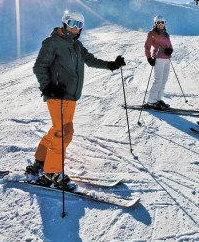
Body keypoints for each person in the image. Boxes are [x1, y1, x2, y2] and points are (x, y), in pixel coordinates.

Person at [26, 10, 126, 187]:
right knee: (63, 132)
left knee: (58, 130)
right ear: (64, 23)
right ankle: (51, 171)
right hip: (57, 95)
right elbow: (39, 67)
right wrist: (47, 86)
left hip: (71, 97)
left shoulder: (77, 46)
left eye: (79, 25)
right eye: (72, 23)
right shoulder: (53, 42)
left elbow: (91, 60)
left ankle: (40, 161)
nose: (75, 28)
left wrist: (111, 65)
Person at [144, 15, 174, 110]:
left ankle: (158, 99)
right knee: (158, 80)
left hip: (166, 59)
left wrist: (170, 50)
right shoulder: (152, 33)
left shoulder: (166, 34)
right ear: (155, 23)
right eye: (158, 22)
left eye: (162, 22)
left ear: (165, 23)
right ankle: (151, 101)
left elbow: (170, 46)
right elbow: (147, 47)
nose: (160, 24)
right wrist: (149, 58)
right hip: (158, 59)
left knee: (164, 81)